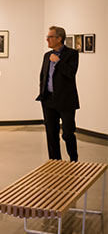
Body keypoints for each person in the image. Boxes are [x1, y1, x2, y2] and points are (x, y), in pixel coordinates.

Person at [36, 26, 79, 162]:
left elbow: (71, 73)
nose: (47, 39)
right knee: (51, 134)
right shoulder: (47, 55)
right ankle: (55, 162)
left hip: (66, 101)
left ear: (59, 38)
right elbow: (43, 76)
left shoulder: (72, 54)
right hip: (48, 100)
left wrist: (58, 62)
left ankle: (74, 159)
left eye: (50, 37)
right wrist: (42, 91)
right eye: (47, 37)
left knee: (67, 133)